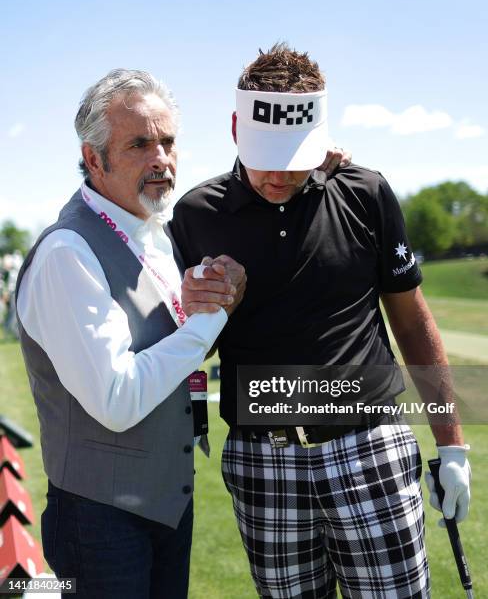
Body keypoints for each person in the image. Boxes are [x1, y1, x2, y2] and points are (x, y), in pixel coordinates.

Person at [171, 44, 471, 598]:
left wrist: (451, 445)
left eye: (295, 156)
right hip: (263, 459)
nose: (278, 177)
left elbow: (410, 321)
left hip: (370, 447)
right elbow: (190, 349)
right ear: (236, 127)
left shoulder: (365, 192)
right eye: (266, 156)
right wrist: (198, 307)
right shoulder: (194, 214)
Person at [15, 69, 246, 599]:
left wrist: (315, 162)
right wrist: (214, 316)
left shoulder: (156, 233)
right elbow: (117, 399)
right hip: (98, 523)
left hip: (165, 506)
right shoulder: (66, 253)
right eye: (140, 143)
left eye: (167, 141)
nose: (161, 157)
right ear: (94, 159)